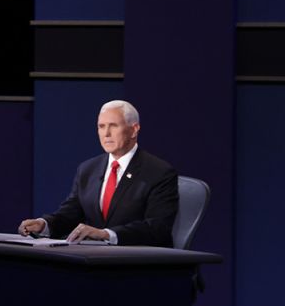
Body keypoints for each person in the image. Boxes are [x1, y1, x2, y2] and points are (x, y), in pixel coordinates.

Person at [18, 100, 177, 247]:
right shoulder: (88, 169)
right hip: (95, 261)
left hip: (139, 262)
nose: (106, 133)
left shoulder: (159, 172)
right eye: (101, 126)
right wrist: (44, 224)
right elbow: (70, 214)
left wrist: (106, 235)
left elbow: (157, 228)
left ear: (134, 130)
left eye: (113, 125)